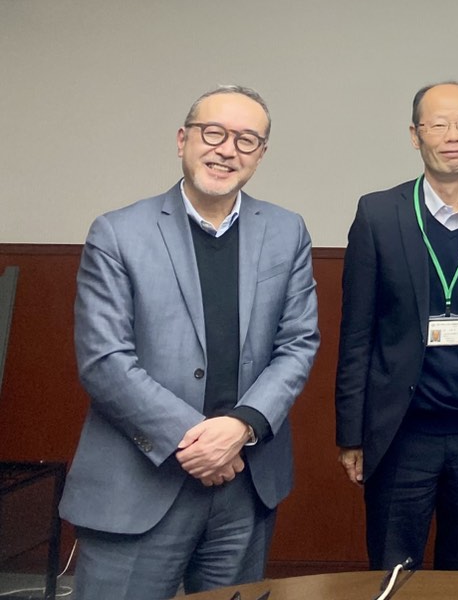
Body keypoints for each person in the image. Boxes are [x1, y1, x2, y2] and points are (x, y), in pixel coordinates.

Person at [60, 86, 318, 600]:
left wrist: (241, 428)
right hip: (139, 483)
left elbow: (298, 343)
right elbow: (104, 360)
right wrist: (200, 441)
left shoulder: (287, 231)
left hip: (244, 487)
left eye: (247, 140)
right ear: (183, 140)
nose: (228, 150)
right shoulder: (117, 233)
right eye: (214, 133)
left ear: (261, 154)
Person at [335, 82, 458, 571]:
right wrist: (351, 435)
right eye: (438, 124)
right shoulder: (379, 214)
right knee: (393, 575)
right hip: (400, 436)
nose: (452, 136)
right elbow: (356, 333)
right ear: (415, 135)